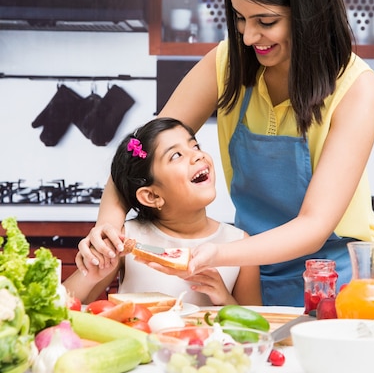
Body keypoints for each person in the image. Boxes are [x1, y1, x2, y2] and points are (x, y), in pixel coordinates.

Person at [77, 0, 374, 307]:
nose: (248, 37)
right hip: (252, 267)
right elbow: (140, 149)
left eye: (265, 21)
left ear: (309, 15)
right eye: (240, 18)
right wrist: (108, 224)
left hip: (333, 276)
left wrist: (217, 253)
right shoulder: (228, 61)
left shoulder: (357, 89)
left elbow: (314, 226)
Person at [65, 117, 261, 306]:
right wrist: (90, 276)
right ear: (152, 196)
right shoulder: (126, 239)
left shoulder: (240, 243)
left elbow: (258, 328)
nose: (198, 155)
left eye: (195, 146)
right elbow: (60, 304)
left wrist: (224, 298)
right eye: (176, 155)